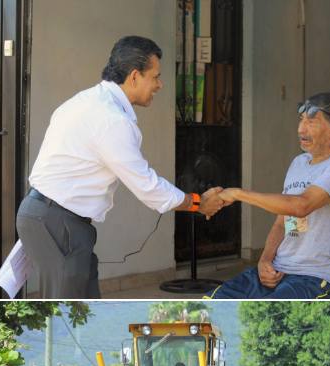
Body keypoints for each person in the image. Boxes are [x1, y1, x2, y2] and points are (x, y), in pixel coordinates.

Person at [16, 35, 225, 299]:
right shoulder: (111, 119)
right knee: (67, 312)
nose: (160, 85)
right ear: (135, 76)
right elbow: (146, 186)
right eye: (156, 77)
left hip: (52, 217)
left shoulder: (86, 100)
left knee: (84, 308)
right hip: (59, 221)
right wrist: (197, 202)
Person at [204, 92, 330, 299]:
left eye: (312, 122)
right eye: (301, 120)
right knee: (211, 303)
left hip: (316, 277)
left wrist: (237, 193)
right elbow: (284, 221)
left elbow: (301, 206)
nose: (301, 129)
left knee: (268, 318)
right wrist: (264, 261)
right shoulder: (299, 163)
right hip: (280, 270)